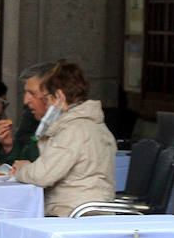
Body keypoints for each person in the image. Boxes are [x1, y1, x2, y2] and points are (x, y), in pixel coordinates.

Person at [9, 61, 116, 216]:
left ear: (58, 97)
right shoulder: (91, 125)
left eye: (46, 99)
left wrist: (21, 169)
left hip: (72, 213)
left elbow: (42, 175)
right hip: (83, 210)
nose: (45, 103)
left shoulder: (73, 129)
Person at [0, 62, 52, 165]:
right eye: (26, 93)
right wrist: (9, 146)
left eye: (32, 93)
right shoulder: (37, 121)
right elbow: (18, 165)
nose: (26, 100)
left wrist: (27, 169)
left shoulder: (72, 128)